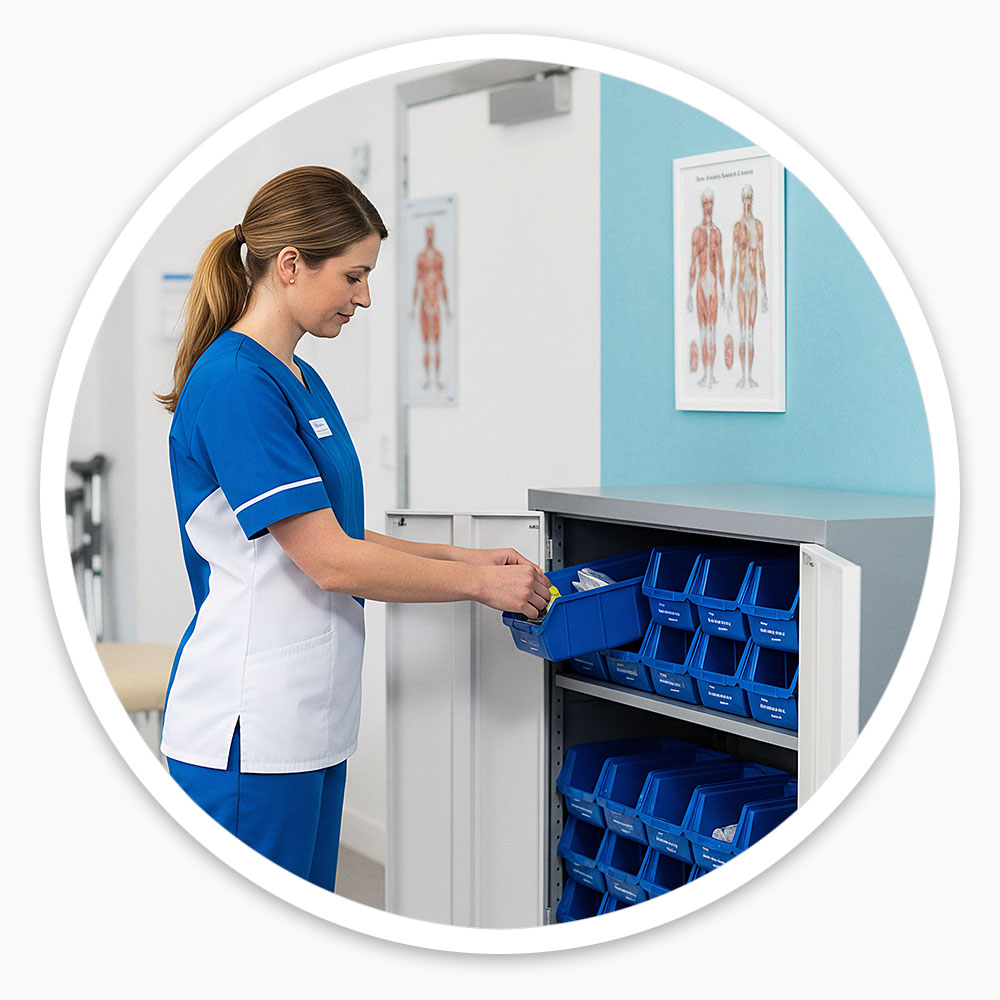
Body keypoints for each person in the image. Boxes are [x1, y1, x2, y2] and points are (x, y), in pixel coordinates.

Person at [155, 166, 551, 892]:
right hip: (249, 729)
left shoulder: (298, 376)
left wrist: (471, 559)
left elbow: (342, 532)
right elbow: (331, 563)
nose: (366, 296)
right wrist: (475, 586)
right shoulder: (237, 383)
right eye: (354, 275)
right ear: (290, 265)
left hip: (309, 718)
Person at [728, 183, 768, 388]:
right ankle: (743, 376)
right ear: (741, 199)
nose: (747, 200)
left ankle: (749, 376)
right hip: (741, 281)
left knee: (750, 332)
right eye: (744, 197)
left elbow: (761, 258)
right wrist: (729, 292)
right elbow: (734, 261)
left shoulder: (758, 226)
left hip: (753, 284)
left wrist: (765, 291)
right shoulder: (737, 227)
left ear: (753, 199)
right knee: (742, 331)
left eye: (749, 197)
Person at [686, 188, 726, 388]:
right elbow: (693, 263)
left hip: (713, 284)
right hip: (702, 282)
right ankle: (705, 374)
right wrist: (689, 293)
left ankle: (712, 374)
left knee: (713, 330)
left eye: (711, 202)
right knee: (703, 331)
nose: (708, 206)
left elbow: (720, 262)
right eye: (705, 203)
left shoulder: (717, 232)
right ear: (702, 205)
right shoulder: (697, 233)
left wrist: (725, 291)